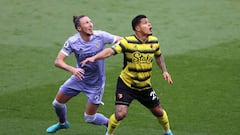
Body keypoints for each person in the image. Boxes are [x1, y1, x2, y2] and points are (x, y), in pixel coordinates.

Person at [81, 14, 174, 135]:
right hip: (126, 85)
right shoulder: (127, 41)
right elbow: (110, 51)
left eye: (149, 22)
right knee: (120, 114)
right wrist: (94, 57)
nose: (150, 24)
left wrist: (164, 71)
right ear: (138, 28)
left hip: (145, 86)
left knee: (159, 112)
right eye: (145, 23)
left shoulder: (154, 41)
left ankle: (167, 131)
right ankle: (109, 133)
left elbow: (158, 55)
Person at [46, 15, 122, 134]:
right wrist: (72, 70)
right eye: (86, 23)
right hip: (79, 78)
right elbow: (58, 61)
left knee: (89, 118)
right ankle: (62, 123)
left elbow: (121, 40)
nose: (90, 25)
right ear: (79, 28)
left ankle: (108, 123)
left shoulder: (100, 36)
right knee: (57, 104)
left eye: (90, 22)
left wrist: (114, 50)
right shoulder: (73, 41)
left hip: (96, 83)